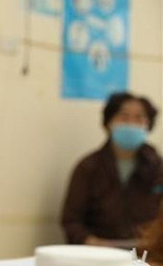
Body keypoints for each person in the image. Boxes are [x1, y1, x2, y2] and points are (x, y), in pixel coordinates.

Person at [61, 92, 163, 248]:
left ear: (148, 124)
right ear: (109, 122)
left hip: (147, 254)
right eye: (124, 117)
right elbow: (71, 220)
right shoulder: (88, 167)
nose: (131, 124)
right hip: (98, 253)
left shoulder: (158, 168)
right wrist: (93, 242)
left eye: (139, 118)